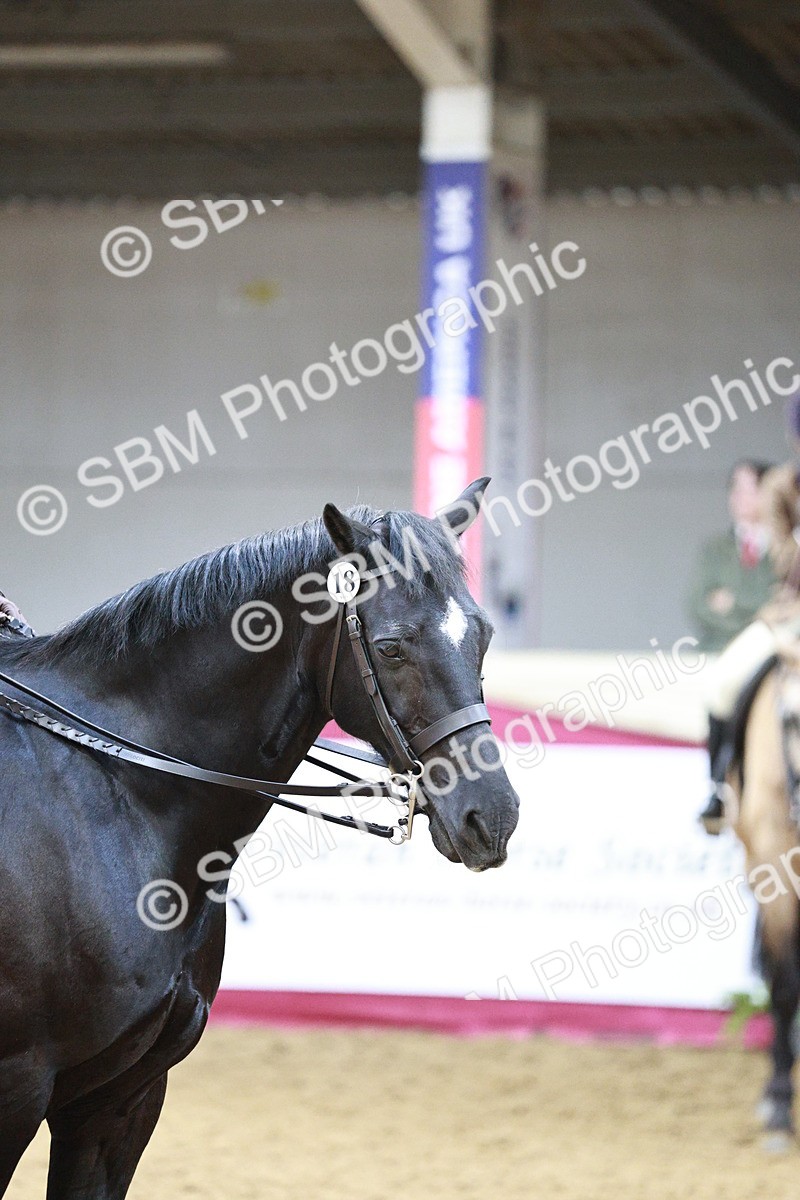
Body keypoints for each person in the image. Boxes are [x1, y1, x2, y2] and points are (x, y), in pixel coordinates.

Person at [700, 403, 800, 833]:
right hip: (792, 613)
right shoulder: (781, 486)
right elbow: (782, 557)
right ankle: (720, 787)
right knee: (724, 681)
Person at [687, 459, 776, 654]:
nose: (740, 497)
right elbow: (698, 605)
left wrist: (733, 602)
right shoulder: (715, 549)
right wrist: (758, 616)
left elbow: (784, 606)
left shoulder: (785, 551)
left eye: (750, 489)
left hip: (770, 655)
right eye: (735, 488)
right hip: (717, 651)